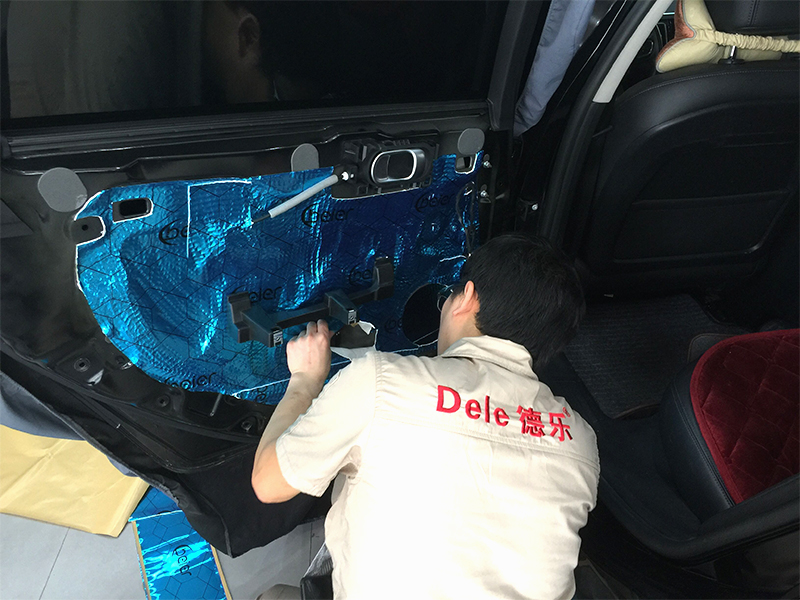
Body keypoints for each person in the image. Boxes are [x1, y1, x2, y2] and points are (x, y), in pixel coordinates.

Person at [251, 234, 599, 599]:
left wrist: (304, 382)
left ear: (467, 296)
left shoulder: (382, 381)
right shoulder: (580, 441)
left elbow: (268, 483)